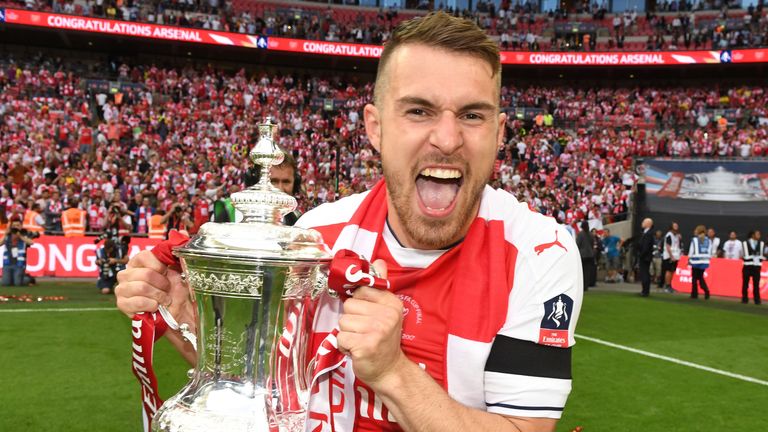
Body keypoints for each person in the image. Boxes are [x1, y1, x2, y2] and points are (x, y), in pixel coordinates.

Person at [116, 12, 583, 431]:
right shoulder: (317, 236)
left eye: (472, 115)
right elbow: (268, 388)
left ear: (499, 133)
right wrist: (185, 319)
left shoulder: (538, 252)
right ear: (375, 127)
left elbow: (524, 428)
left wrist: (392, 372)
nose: (447, 138)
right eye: (418, 111)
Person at [2, 216, 35, 286]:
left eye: (17, 225)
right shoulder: (8, 235)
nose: (15, 227)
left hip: (19, 264)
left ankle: (29, 279)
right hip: (8, 263)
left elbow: (31, 242)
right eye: (14, 225)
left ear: (21, 226)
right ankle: (13, 279)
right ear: (11, 227)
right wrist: (5, 234)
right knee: (5, 283)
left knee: (18, 283)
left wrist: (20, 236)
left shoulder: (24, 234)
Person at [741, 230, 765, 305]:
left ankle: (757, 300)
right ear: (752, 235)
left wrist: (760, 257)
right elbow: (744, 255)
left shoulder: (761, 243)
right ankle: (744, 299)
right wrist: (755, 256)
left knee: (756, 284)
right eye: (757, 234)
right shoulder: (745, 243)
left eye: (759, 234)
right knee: (745, 284)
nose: (759, 235)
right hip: (747, 266)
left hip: (757, 267)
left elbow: (761, 255)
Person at [688, 225, 711, 300]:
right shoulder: (708, 240)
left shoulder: (694, 240)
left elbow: (691, 251)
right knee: (700, 277)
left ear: (698, 231)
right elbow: (709, 251)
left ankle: (694, 294)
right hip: (704, 262)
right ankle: (706, 290)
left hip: (696, 261)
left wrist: (689, 259)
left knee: (694, 278)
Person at [662, 222, 682, 293]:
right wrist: (671, 256)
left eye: (677, 225)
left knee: (673, 271)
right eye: (674, 225)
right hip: (669, 256)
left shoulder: (677, 235)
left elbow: (677, 245)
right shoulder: (669, 235)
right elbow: (668, 246)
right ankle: (667, 286)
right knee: (668, 270)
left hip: (675, 256)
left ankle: (670, 285)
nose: (676, 226)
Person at [637, 218, 655, 297]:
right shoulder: (645, 232)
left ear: (648, 224)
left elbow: (646, 247)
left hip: (645, 257)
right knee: (644, 273)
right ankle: (644, 290)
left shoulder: (649, 234)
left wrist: (641, 255)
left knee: (644, 273)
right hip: (645, 256)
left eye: (644, 222)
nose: (642, 223)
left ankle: (645, 291)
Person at [576, 221, 595, 289]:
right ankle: (586, 285)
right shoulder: (591, 234)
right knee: (587, 271)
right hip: (590, 254)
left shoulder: (580, 234)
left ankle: (582, 285)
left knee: (582, 270)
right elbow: (592, 244)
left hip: (582, 254)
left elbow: (578, 244)